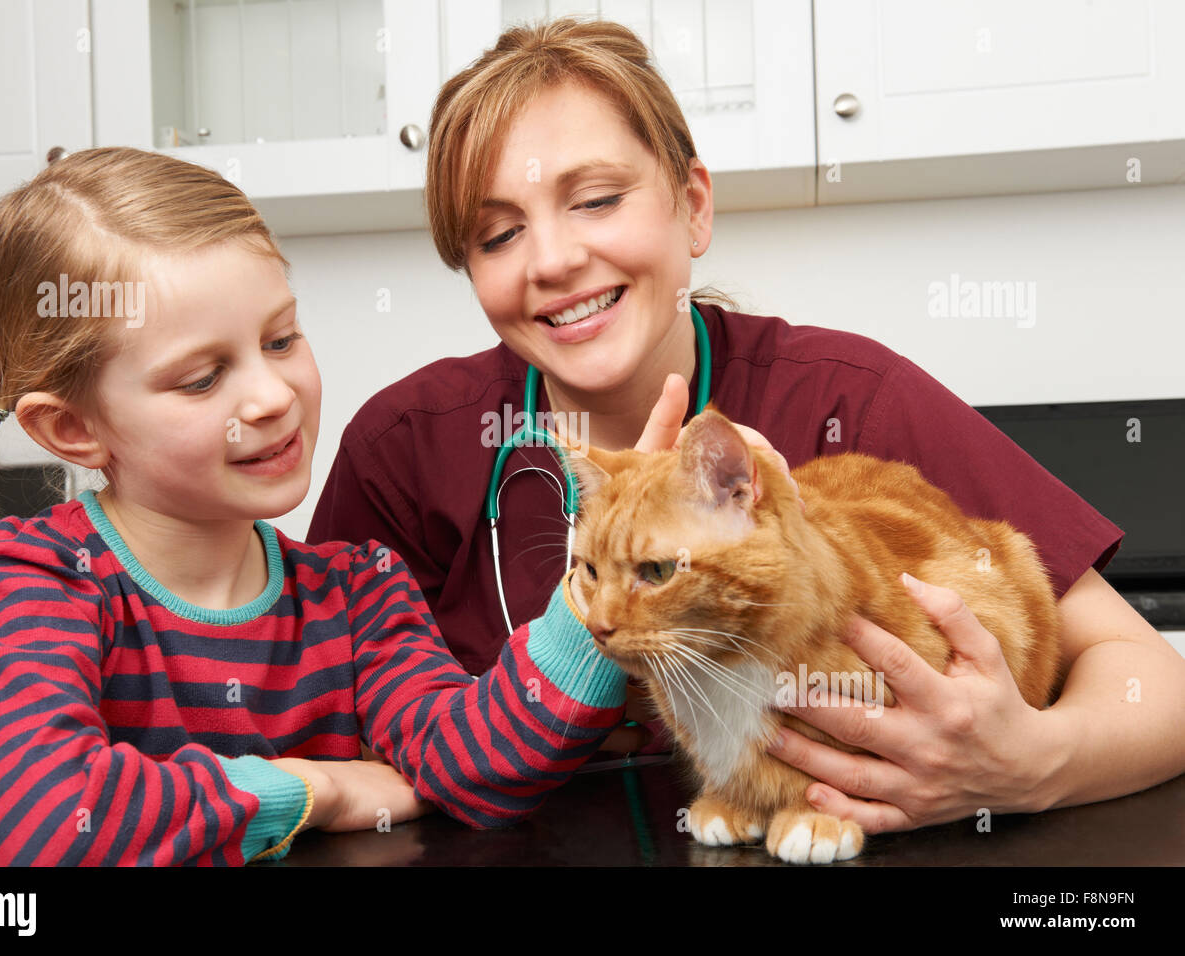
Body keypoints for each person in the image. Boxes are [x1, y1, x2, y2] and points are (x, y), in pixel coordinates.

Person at [308, 18, 1185, 833]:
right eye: (497, 236)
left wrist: (1034, 766)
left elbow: (1155, 686)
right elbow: (320, 735)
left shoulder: (853, 402)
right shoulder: (404, 451)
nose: (552, 260)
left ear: (692, 206)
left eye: (598, 199)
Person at [0, 146, 629, 867]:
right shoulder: (26, 580)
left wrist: (614, 570)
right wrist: (317, 789)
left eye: (281, 340)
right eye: (202, 379)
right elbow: (50, 830)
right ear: (73, 429)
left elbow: (472, 765)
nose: (274, 397)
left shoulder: (357, 592)